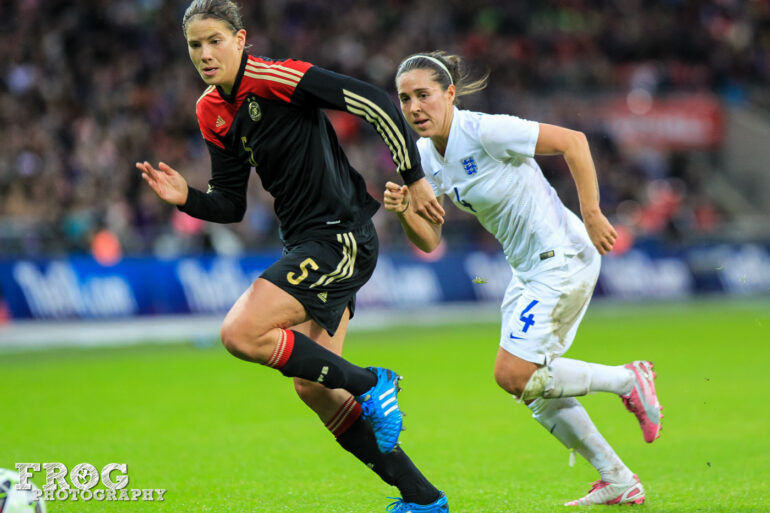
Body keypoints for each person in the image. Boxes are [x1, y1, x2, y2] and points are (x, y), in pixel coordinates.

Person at [136, 2, 449, 511]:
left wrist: (414, 178)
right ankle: (424, 498)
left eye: (215, 40)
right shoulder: (210, 111)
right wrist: (187, 198)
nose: (205, 54)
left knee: (240, 333)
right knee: (313, 386)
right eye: (195, 45)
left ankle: (374, 384)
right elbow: (231, 203)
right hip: (305, 242)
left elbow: (374, 102)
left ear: (241, 39)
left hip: (340, 236)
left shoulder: (279, 78)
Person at [385, 51, 663, 507]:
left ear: (450, 94)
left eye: (424, 95)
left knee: (513, 373)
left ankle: (628, 381)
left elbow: (573, 141)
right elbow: (430, 240)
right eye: (404, 98)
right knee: (531, 387)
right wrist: (402, 213)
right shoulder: (421, 156)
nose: (414, 107)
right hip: (528, 269)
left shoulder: (485, 131)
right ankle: (618, 478)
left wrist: (592, 213)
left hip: (563, 257)